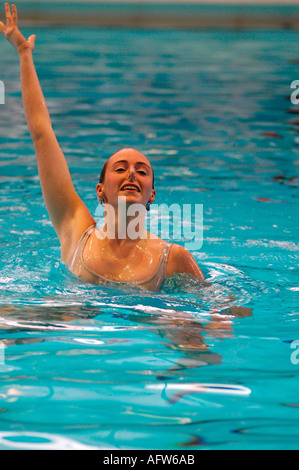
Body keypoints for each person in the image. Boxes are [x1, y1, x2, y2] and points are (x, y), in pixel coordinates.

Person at [0, 3, 205, 292]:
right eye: (121, 169)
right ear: (100, 191)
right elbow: (42, 134)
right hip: (72, 323)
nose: (132, 175)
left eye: (142, 171)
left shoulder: (172, 258)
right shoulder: (75, 231)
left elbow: (222, 307)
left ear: (152, 194)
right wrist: (24, 55)